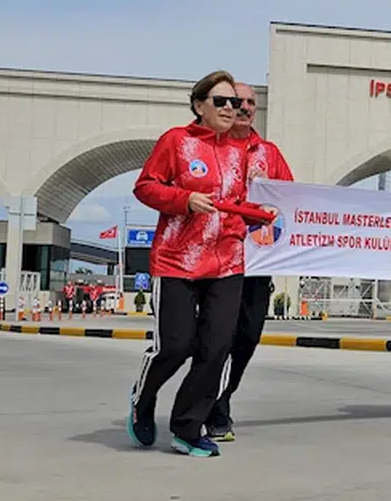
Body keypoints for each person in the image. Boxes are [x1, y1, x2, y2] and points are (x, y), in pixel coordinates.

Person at [126, 69, 267, 459]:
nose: (230, 108)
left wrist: (258, 214)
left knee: (218, 348)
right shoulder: (177, 141)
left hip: (226, 262)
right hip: (177, 260)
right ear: (199, 105)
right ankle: (143, 396)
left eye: (235, 103)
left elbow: (237, 203)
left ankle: (188, 427)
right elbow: (146, 186)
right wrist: (183, 200)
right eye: (220, 101)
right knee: (175, 346)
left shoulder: (240, 154)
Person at [205, 81, 294, 443]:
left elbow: (291, 198)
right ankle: (212, 407)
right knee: (215, 336)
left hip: (257, 261)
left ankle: (222, 396)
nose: (242, 107)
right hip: (216, 257)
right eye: (235, 101)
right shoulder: (211, 147)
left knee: (248, 336)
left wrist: (268, 185)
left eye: (250, 102)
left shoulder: (268, 152)